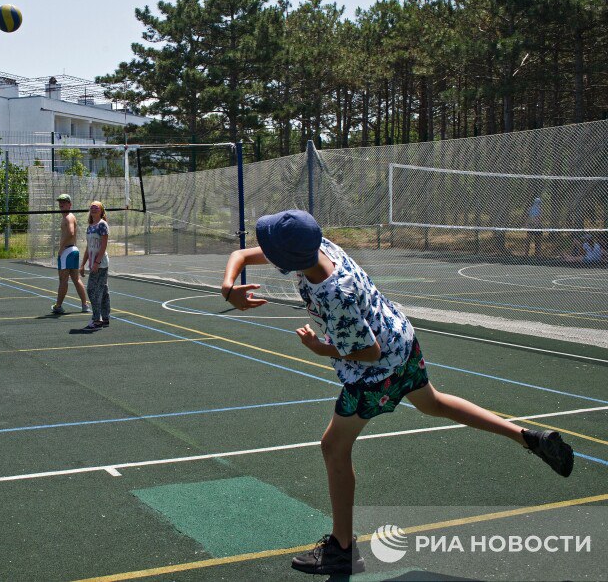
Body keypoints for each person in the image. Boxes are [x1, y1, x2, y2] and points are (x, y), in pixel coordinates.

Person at [221, 209, 574, 576]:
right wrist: (228, 286)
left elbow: (368, 352)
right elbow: (241, 255)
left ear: (285, 257)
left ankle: (342, 548)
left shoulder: (332, 292)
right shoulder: (320, 247)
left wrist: (322, 348)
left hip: (377, 372)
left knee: (333, 446)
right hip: (401, 339)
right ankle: (527, 437)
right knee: (434, 403)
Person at [51, 193, 89, 315]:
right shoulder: (67, 217)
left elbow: (71, 233)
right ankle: (85, 305)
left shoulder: (68, 217)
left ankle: (58, 306)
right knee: (75, 279)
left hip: (67, 251)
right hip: (72, 250)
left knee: (63, 280)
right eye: (60, 202)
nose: (61, 204)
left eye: (64, 201)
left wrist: (61, 248)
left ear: (69, 204)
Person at [80, 200, 110, 331]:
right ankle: (105, 317)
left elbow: (103, 246)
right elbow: (88, 247)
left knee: (93, 290)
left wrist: (97, 263)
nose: (93, 209)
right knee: (103, 291)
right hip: (93, 264)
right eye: (91, 207)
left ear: (101, 210)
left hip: (101, 264)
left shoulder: (103, 225)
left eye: (96, 207)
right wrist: (82, 264)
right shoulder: (90, 226)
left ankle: (97, 319)